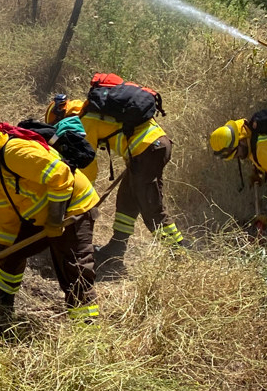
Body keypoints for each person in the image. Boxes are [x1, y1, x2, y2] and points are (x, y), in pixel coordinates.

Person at [0, 122, 100, 322]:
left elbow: (61, 176)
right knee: (10, 256)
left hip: (72, 210)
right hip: (43, 216)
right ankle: (1, 309)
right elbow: (7, 219)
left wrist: (55, 220)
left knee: (73, 268)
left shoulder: (14, 153)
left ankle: (87, 326)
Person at [45, 93, 187, 275]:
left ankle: (179, 255)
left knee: (151, 208)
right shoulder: (92, 111)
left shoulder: (85, 121)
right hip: (150, 148)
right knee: (126, 202)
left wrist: (79, 201)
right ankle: (116, 249)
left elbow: (87, 168)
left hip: (147, 149)